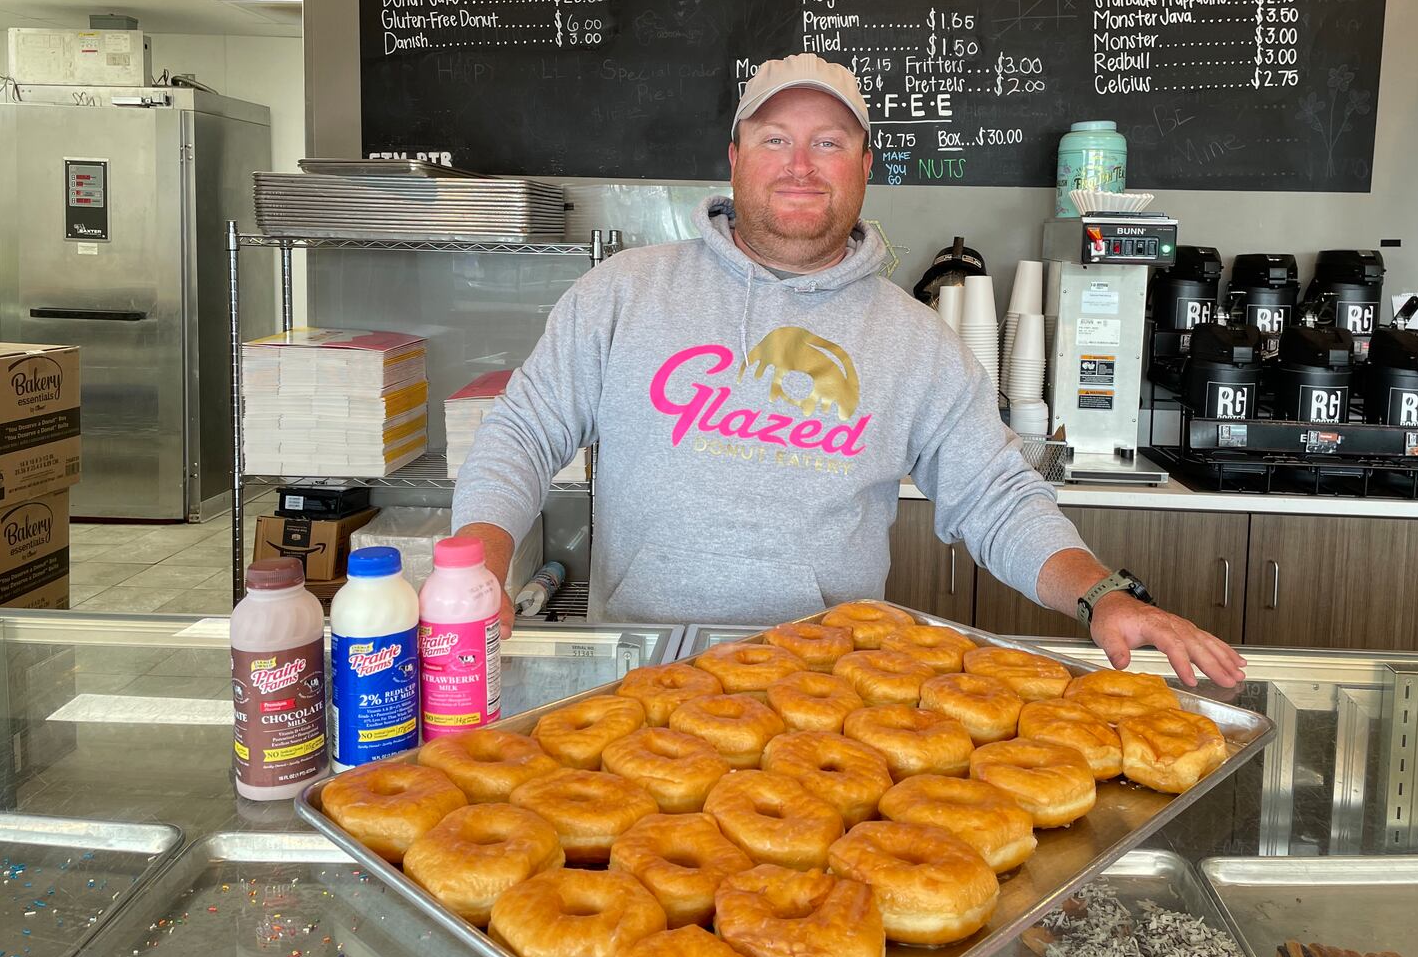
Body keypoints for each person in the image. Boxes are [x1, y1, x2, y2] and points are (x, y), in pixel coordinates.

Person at [453, 53, 1245, 688]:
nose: (800, 165)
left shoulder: (916, 341)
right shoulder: (622, 294)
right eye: (774, 139)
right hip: (642, 672)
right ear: (734, 158)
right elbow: (523, 433)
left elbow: (996, 496)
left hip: (830, 691)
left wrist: (1100, 593)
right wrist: (479, 564)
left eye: (828, 142)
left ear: (866, 164)